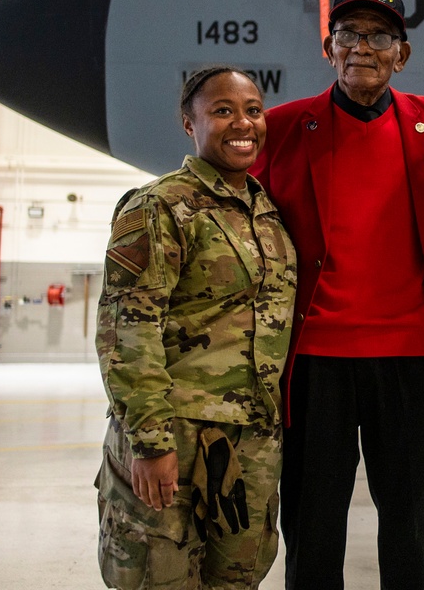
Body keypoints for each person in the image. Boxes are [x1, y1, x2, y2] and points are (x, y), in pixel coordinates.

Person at [252, 0, 424, 590]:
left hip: (411, 360)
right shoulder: (284, 128)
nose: (361, 48)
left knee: (409, 531)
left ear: (401, 55)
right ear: (329, 49)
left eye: (378, 37)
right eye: (348, 35)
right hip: (316, 361)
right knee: (312, 529)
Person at [94, 66, 296, 590]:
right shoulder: (160, 206)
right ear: (190, 124)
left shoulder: (269, 213)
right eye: (222, 110)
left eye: (252, 110)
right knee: (158, 579)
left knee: (238, 581)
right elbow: (126, 329)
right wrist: (150, 441)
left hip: (249, 444)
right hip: (175, 439)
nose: (242, 123)